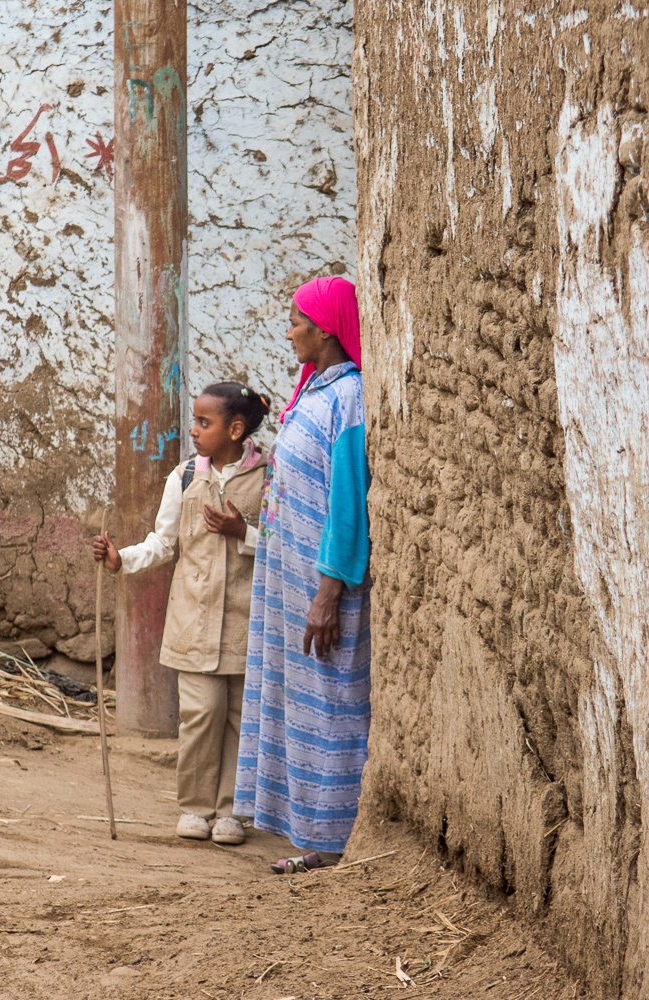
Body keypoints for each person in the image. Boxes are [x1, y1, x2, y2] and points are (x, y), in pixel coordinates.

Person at [92, 381, 273, 846]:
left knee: (239, 717)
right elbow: (163, 542)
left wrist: (243, 532)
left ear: (235, 429)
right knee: (201, 713)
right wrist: (121, 560)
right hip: (193, 621)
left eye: (203, 422)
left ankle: (233, 812)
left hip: (245, 621)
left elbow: (284, 543)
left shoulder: (269, 476)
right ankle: (196, 807)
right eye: (194, 420)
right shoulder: (186, 477)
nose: (192, 430)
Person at [236, 275, 371, 874]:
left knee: (332, 697)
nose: (289, 330)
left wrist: (328, 589)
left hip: (322, 585)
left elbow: (348, 502)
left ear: (326, 329)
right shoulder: (318, 389)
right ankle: (309, 827)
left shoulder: (350, 400)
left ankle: (336, 837)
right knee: (301, 698)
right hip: (288, 580)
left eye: (296, 321)